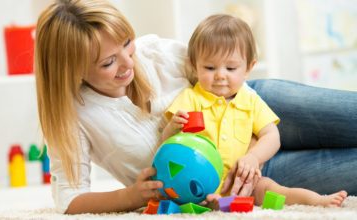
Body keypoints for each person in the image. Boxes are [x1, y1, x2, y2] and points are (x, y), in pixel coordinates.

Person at [34, 0, 357, 214]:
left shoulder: (157, 52)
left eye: (127, 44)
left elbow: (223, 64)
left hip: (254, 106)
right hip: (245, 180)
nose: (128, 63)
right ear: (71, 70)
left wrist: (255, 147)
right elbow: (70, 200)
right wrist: (131, 195)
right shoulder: (74, 117)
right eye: (108, 62)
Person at [162, 14, 347, 207]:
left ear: (249, 68)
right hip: (201, 180)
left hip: (247, 180)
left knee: (273, 189)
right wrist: (173, 128)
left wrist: (253, 157)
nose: (220, 76)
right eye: (209, 67)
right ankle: (213, 203)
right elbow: (167, 143)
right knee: (195, 195)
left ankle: (318, 200)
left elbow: (271, 136)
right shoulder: (190, 98)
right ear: (194, 65)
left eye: (231, 68)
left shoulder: (250, 100)